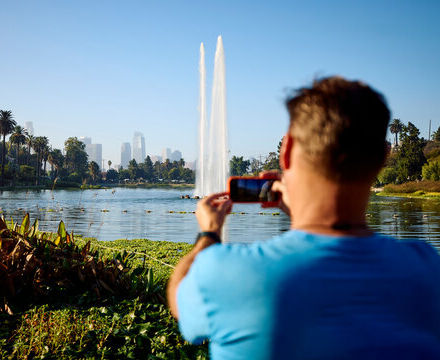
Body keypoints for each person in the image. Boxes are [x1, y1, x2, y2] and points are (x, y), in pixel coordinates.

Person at [167, 76, 440, 359]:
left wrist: (209, 234)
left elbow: (178, 300)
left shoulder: (228, 271)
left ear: (286, 152)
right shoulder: (428, 269)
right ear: (384, 157)